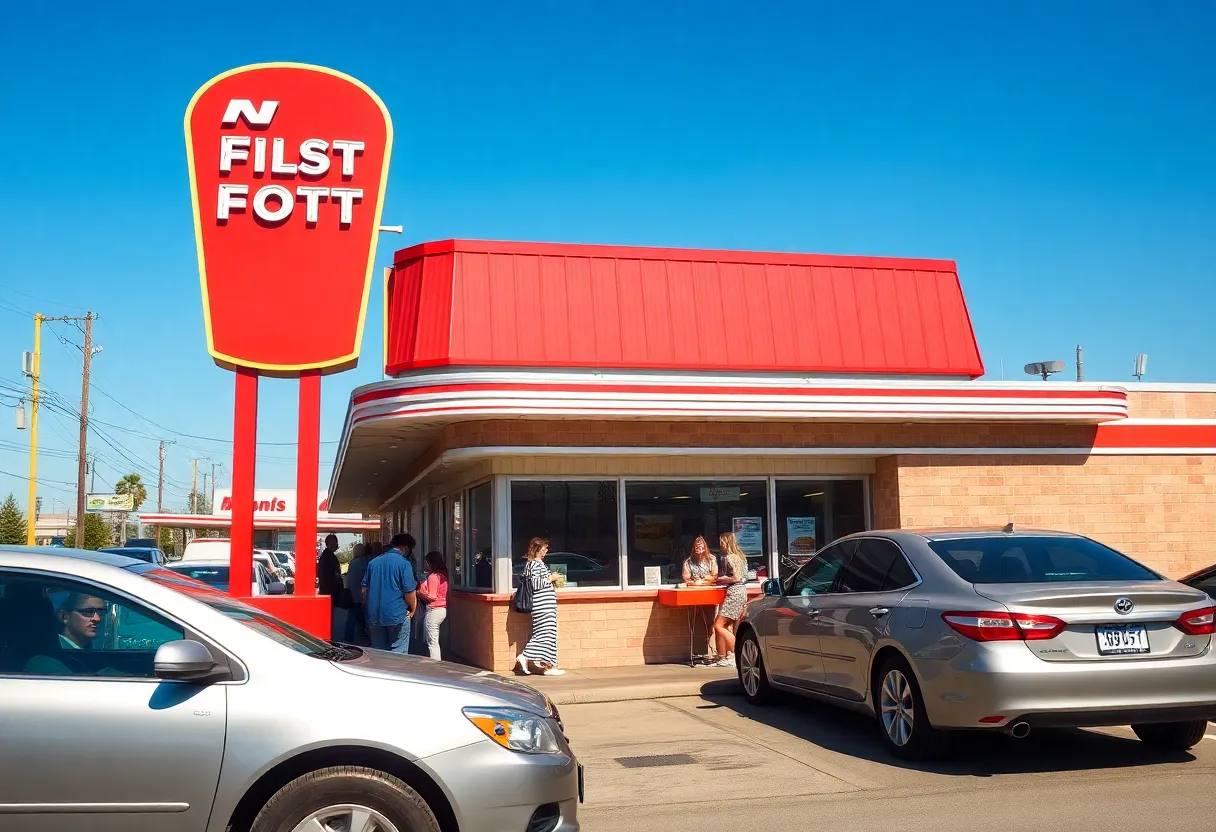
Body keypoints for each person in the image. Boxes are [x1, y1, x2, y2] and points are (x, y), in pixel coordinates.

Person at [515, 537, 564, 676]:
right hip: (542, 606)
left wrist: (555, 580)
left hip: (547, 605)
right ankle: (525, 656)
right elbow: (535, 584)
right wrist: (550, 578)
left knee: (550, 633)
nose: (546, 551)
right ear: (537, 550)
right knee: (544, 633)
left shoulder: (540, 564)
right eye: (544, 548)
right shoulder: (534, 565)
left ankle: (548, 664)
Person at [362, 533, 418, 653]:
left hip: (374, 615)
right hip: (396, 614)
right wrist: (412, 609)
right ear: (405, 548)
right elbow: (409, 591)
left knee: (379, 652)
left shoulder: (373, 563)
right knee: (398, 653)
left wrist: (366, 607)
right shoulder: (404, 564)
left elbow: (364, 590)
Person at [712, 532, 749, 668]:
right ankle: (730, 656)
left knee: (719, 625)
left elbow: (737, 577)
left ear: (726, 542)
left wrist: (721, 579)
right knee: (729, 625)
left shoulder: (730, 557)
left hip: (734, 592)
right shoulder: (741, 557)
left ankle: (737, 650)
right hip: (741, 592)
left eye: (722, 541)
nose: (720, 544)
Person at [415, 551, 449, 660]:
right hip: (441, 609)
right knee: (433, 639)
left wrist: (419, 593)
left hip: (433, 610)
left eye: (426, 562)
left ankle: (435, 663)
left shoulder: (433, 577)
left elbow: (432, 596)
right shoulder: (442, 575)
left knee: (432, 642)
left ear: (430, 563)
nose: (424, 565)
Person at [343, 542, 371, 645]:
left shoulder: (353, 562)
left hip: (352, 593)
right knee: (359, 615)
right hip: (360, 593)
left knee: (352, 616)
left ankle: (348, 637)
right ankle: (360, 633)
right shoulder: (365, 562)